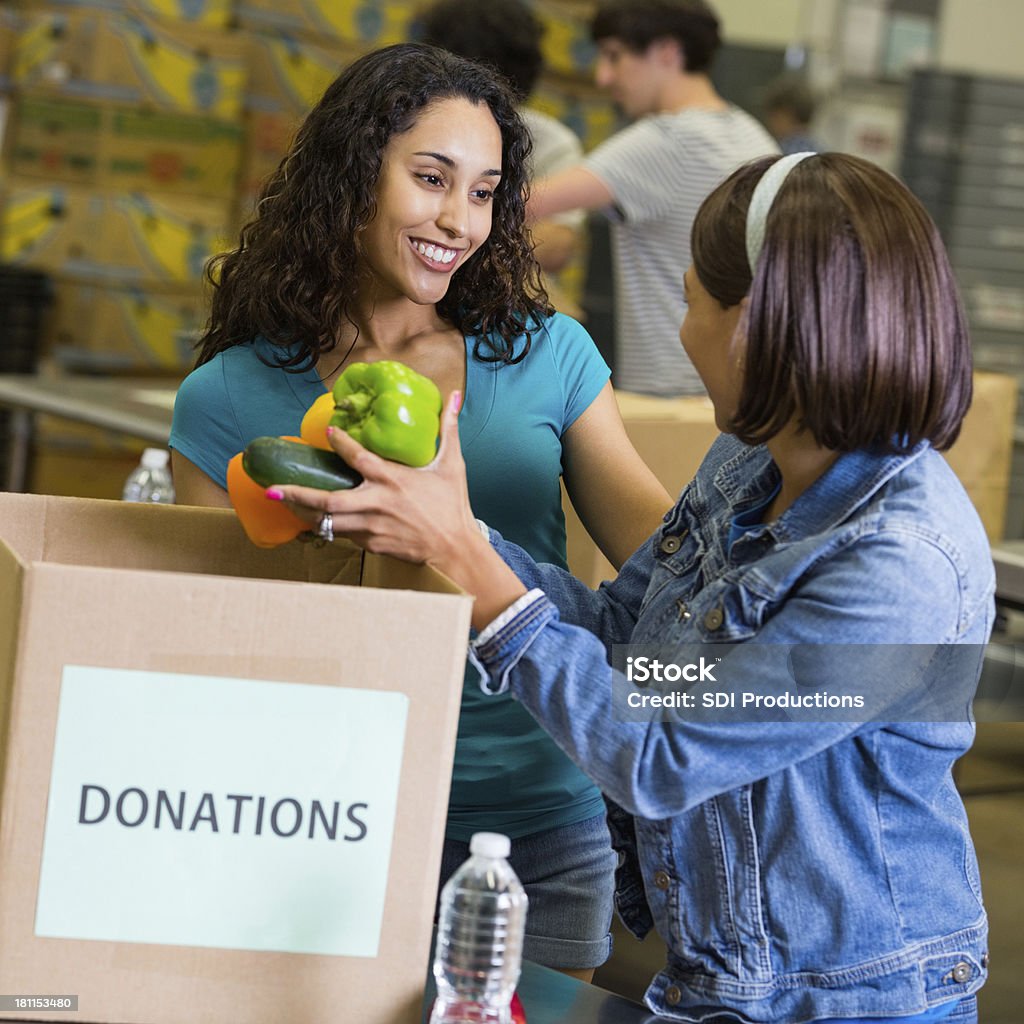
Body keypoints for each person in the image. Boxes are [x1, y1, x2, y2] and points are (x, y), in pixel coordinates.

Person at [272, 152, 994, 1023]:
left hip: (853, 1001)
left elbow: (665, 754)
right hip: (722, 980)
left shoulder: (901, 565)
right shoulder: (749, 464)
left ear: (759, 326)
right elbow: (631, 643)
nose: (682, 332)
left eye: (690, 302)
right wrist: (448, 525)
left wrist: (466, 560)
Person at [169, 43, 672, 981]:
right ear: (354, 176)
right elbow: (214, 647)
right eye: (431, 178)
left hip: (534, 829)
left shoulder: (549, 354)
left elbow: (663, 561)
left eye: (483, 192)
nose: (458, 220)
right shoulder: (227, 399)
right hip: (316, 820)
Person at [528, 0, 779, 397]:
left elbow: (521, 201)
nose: (604, 77)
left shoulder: (667, 140)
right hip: (740, 388)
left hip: (673, 389)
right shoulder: (751, 135)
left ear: (667, 52)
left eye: (615, 56)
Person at [418, 0, 586, 277]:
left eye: (482, 193)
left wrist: (456, 255)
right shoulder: (411, 125)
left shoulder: (550, 142)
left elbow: (559, 242)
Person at [761, 73, 820, 154]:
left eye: (774, 116)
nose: (769, 122)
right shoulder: (821, 150)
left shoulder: (781, 152)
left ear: (786, 115)